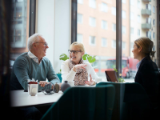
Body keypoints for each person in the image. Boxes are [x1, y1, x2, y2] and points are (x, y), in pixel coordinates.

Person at [10, 33, 60, 120]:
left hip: (38, 99)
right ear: (35, 45)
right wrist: (49, 86)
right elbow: (27, 85)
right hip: (21, 102)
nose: (47, 47)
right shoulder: (21, 61)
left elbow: (55, 79)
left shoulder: (46, 61)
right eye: (45, 44)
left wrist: (49, 84)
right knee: (34, 114)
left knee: (58, 108)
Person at [132, 37, 160, 118]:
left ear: (140, 48)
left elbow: (147, 91)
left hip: (146, 111)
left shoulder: (146, 65)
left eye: (134, 47)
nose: (132, 50)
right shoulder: (148, 63)